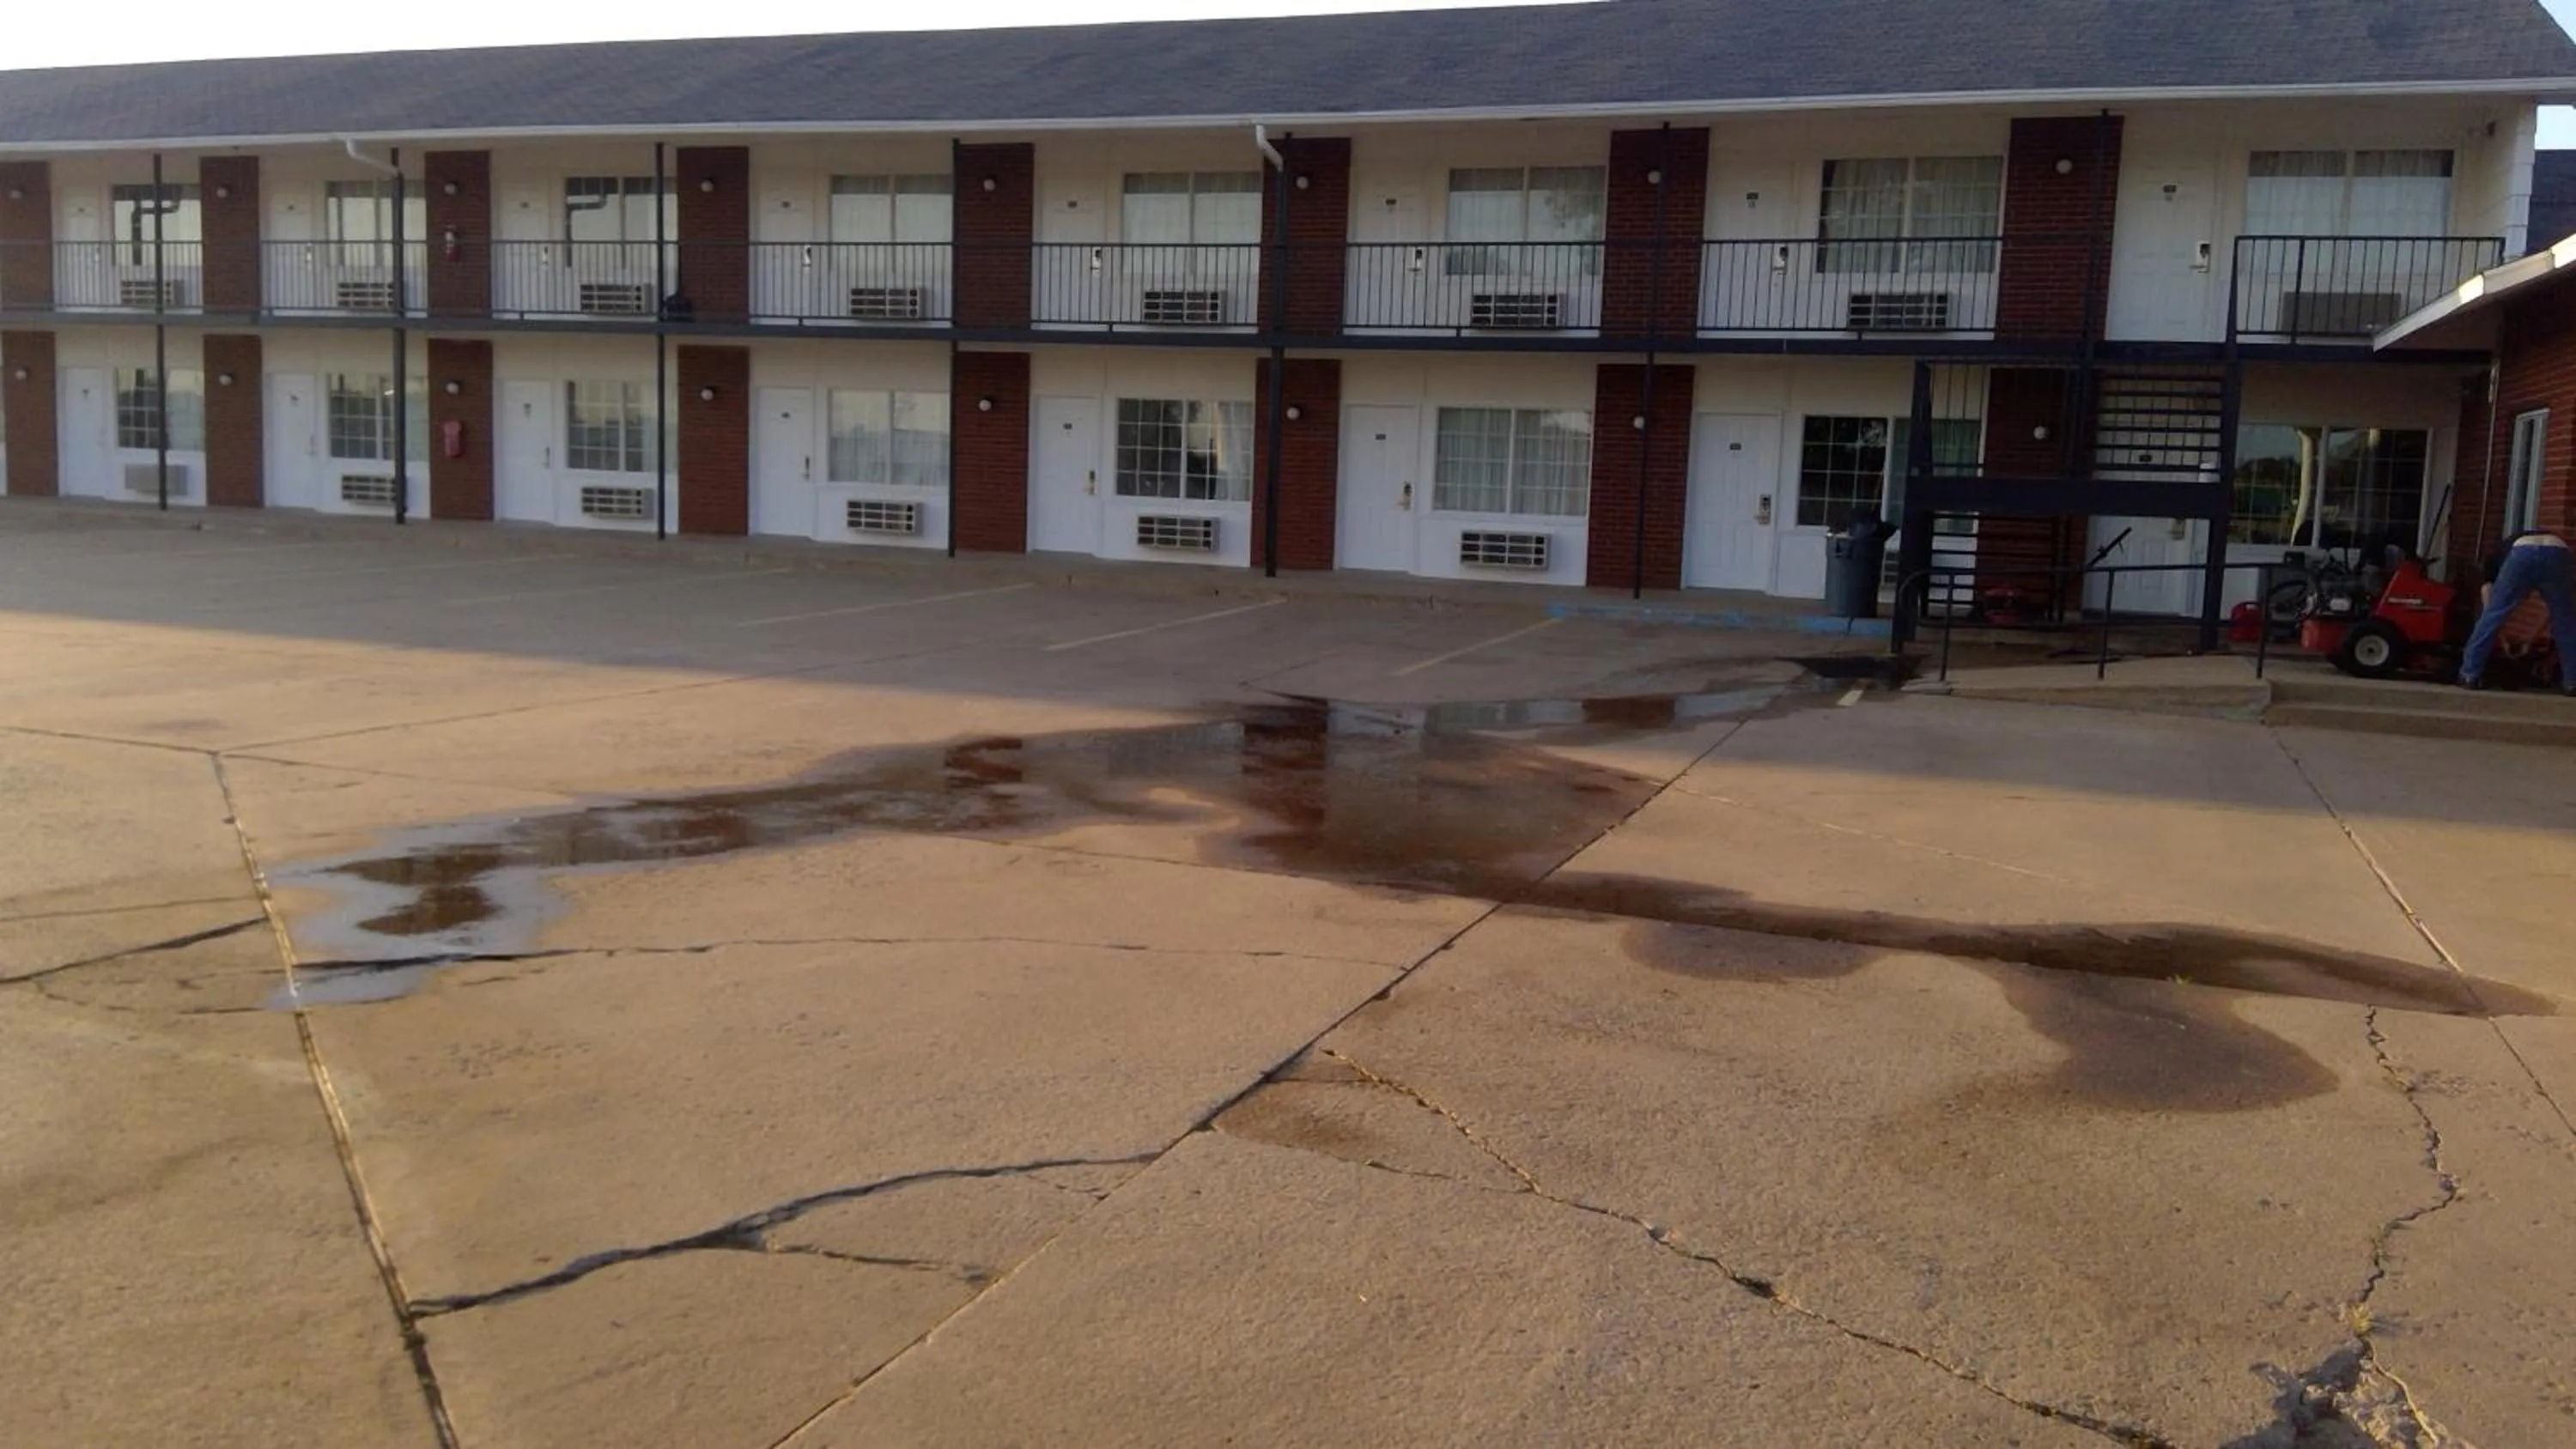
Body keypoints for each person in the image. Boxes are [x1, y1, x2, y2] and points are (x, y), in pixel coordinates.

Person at [2458, 530, 2576, 693]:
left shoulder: (2493, 564)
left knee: (2493, 615)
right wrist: (2528, 639)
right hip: (2558, 550)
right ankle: (2572, 682)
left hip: (2522, 552)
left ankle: (2469, 674)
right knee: (2565, 620)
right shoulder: (2501, 554)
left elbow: (2490, 608)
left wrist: (2506, 640)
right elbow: (2554, 614)